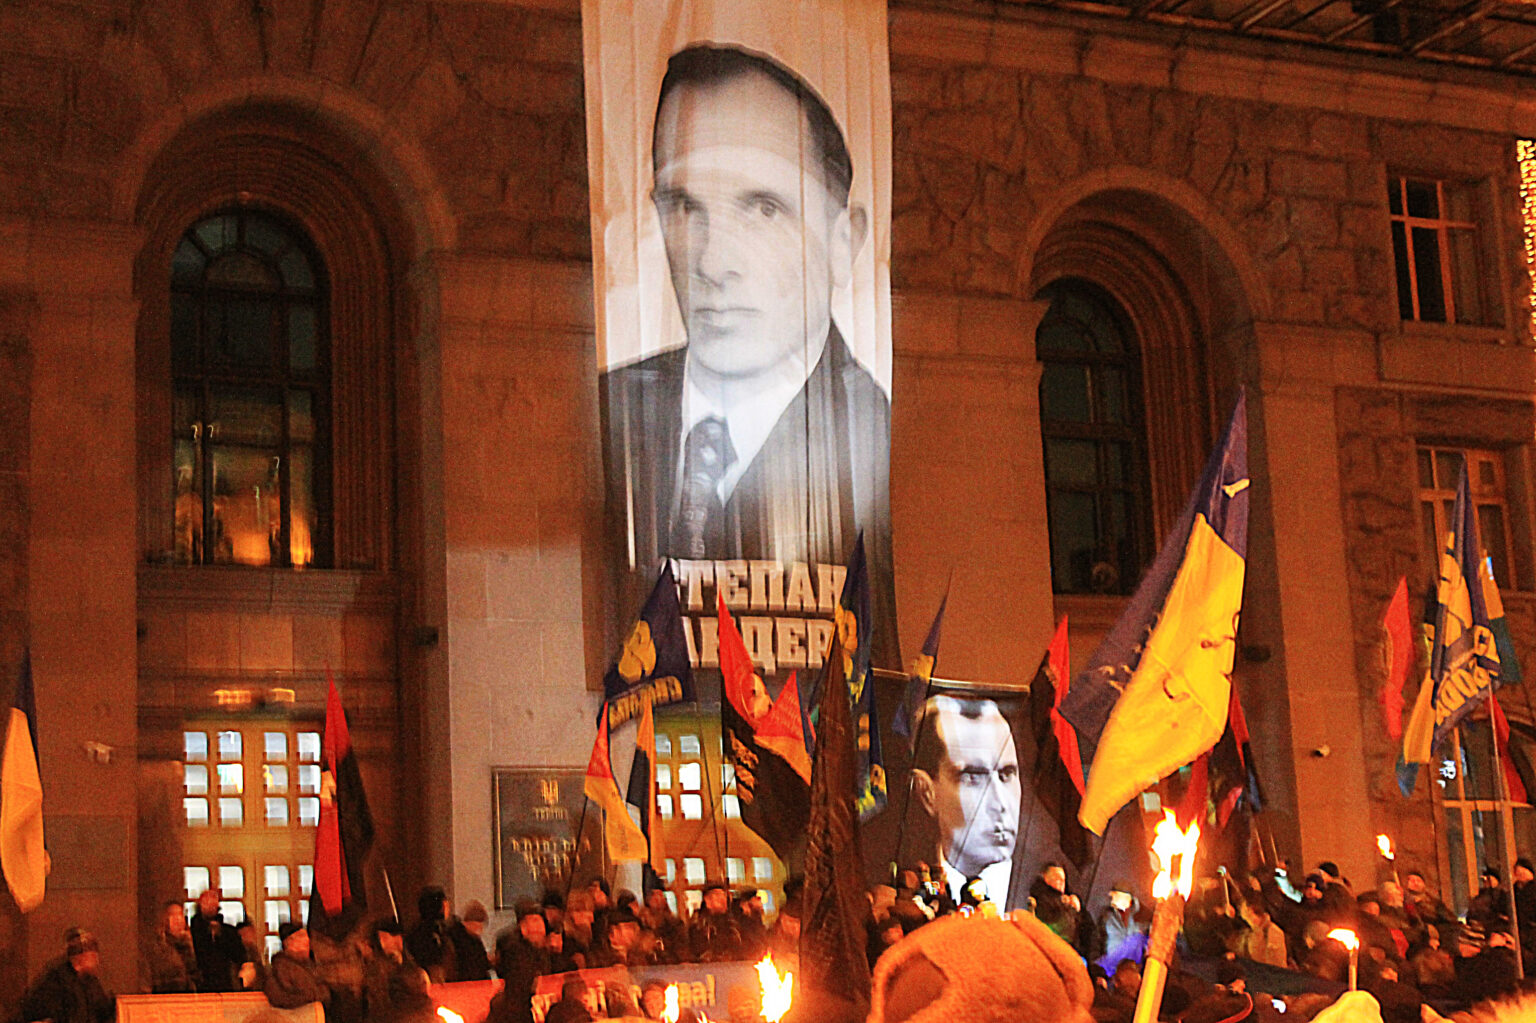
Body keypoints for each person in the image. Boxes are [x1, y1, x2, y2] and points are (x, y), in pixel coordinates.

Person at [600, 42, 896, 661]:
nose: (712, 262)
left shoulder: (882, 429)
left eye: (763, 209)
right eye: (684, 207)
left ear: (845, 242)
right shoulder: (605, 412)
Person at [909, 694, 1021, 906]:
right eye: (972, 778)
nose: (1000, 803)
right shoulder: (911, 884)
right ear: (926, 793)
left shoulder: (1035, 891)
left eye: (1006, 775)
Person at [18, 928, 114, 1023]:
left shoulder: (90, 980)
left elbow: (101, 1010)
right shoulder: (56, 979)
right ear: (80, 957)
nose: (96, 961)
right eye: (92, 956)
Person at [188, 888, 246, 992]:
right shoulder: (192, 932)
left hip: (224, 983)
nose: (210, 906)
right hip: (200, 984)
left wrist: (221, 936)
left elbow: (239, 955)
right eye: (207, 902)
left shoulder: (228, 932)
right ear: (200, 904)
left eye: (213, 902)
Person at [265, 922, 329, 1009]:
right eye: (301, 937)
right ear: (289, 942)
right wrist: (314, 996)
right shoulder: (283, 967)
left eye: (306, 936)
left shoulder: (310, 965)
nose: (307, 941)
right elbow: (279, 997)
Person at [143, 901, 199, 993]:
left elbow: (194, 973)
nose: (178, 920)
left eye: (180, 915)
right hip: (165, 996)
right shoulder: (157, 946)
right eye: (173, 915)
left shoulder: (189, 944)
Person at [690, 883, 743, 961]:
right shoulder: (699, 927)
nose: (722, 900)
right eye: (717, 896)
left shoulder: (734, 924)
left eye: (724, 896)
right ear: (707, 900)